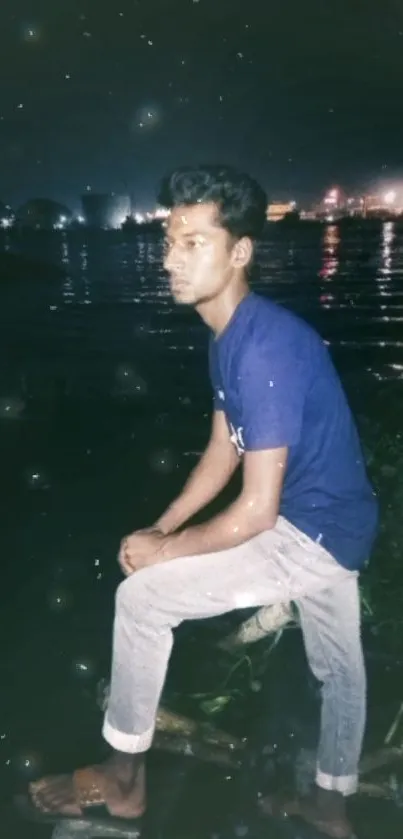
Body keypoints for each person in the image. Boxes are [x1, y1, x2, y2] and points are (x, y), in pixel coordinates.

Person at [21, 165, 378, 839]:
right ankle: (331, 804)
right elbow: (223, 449)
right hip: (344, 518)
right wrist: (163, 523)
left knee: (142, 599)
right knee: (337, 666)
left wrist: (162, 553)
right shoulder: (230, 336)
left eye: (194, 242)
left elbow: (257, 512)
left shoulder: (262, 348)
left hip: (311, 529)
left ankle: (125, 780)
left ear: (240, 251)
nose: (170, 259)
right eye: (168, 239)